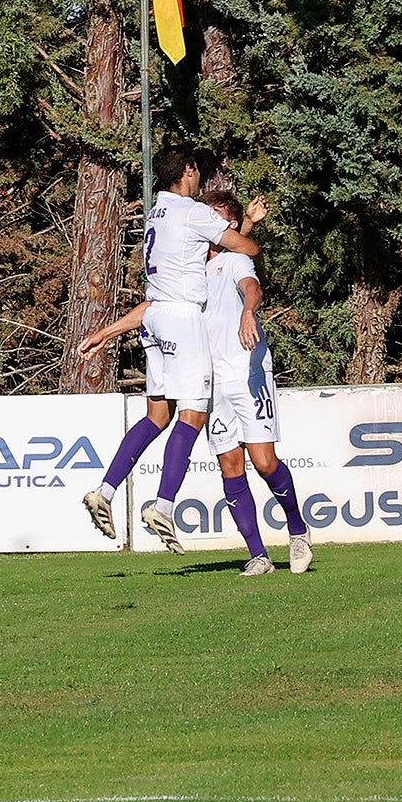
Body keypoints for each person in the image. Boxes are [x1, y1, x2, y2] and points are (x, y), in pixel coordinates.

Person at [78, 192, 311, 575]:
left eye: (213, 216)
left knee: (264, 462)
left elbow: (252, 286)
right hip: (211, 381)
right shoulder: (188, 267)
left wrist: (249, 314)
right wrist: (106, 333)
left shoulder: (235, 261)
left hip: (246, 374)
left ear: (226, 225)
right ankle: (258, 556)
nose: (204, 221)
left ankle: (297, 530)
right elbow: (153, 308)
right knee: (230, 465)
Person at [80, 149, 260, 553]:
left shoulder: (157, 213)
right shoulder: (194, 212)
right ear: (189, 172)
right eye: (199, 171)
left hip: (155, 317)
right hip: (182, 318)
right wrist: (245, 227)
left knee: (157, 415)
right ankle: (162, 506)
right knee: (194, 412)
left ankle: (105, 492)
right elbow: (245, 249)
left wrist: (105, 333)